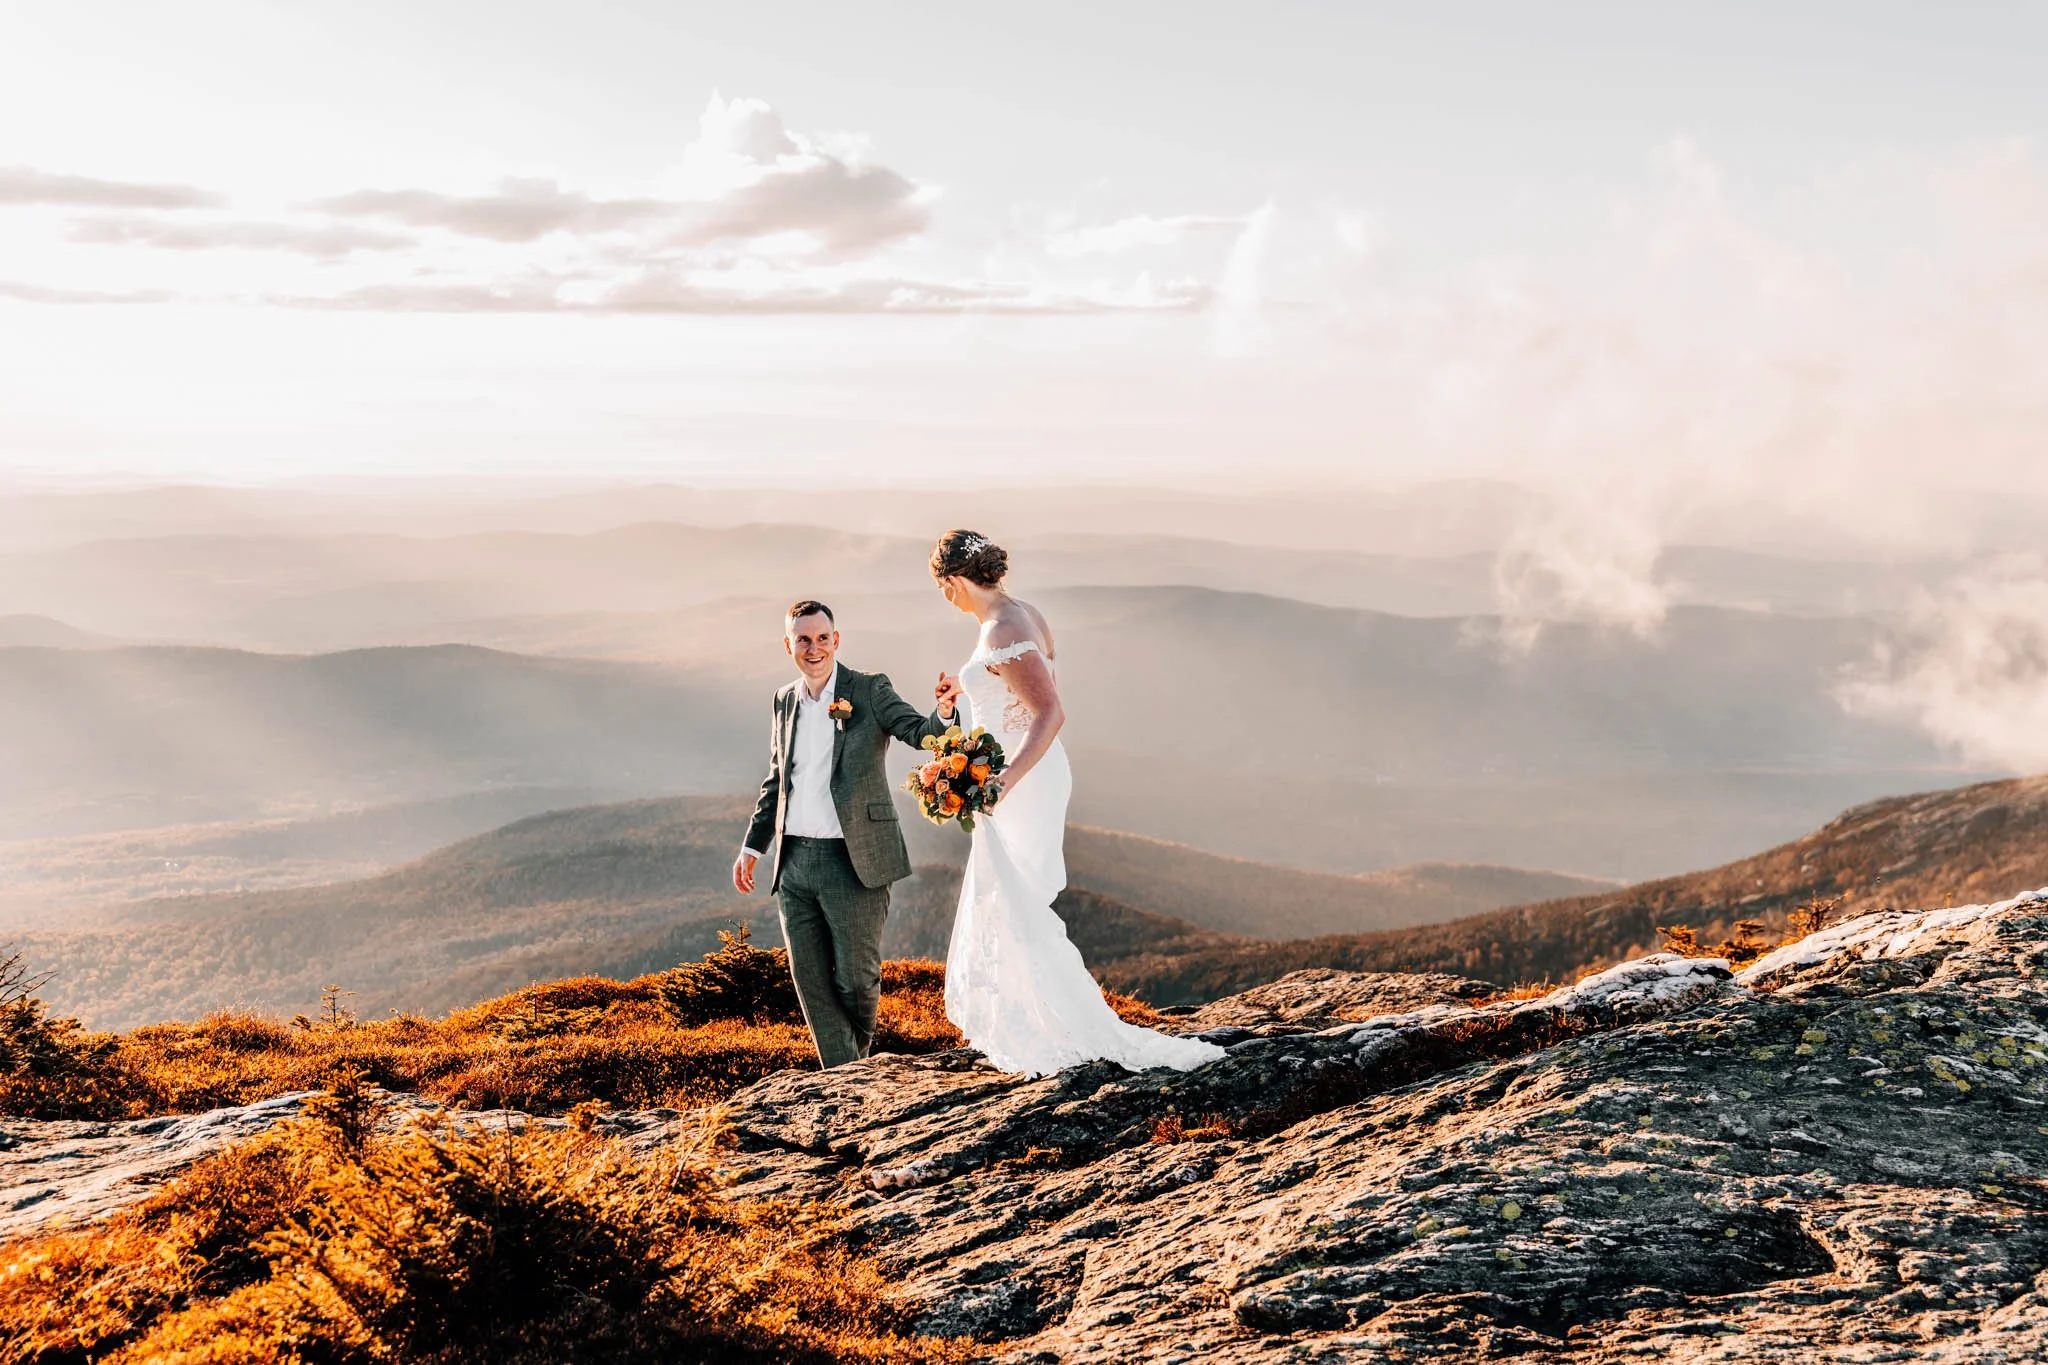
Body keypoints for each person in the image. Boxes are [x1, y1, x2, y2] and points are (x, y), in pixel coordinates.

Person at [928, 530, 1224, 1076]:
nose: (946, 599)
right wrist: (961, 699)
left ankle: (1055, 1029)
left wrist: (1002, 783)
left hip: (1025, 779)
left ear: (954, 580)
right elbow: (1011, 698)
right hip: (1022, 772)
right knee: (1010, 899)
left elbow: (1049, 712)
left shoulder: (1004, 627)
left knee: (1014, 900)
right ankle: (1033, 1022)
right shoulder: (1018, 615)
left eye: (944, 588)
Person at [734, 600, 954, 1068]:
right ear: (789, 645)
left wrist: (945, 711)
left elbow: (919, 732)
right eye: (803, 639)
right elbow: (777, 779)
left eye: (821, 638)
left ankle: (855, 1065)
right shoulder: (784, 699)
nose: (813, 648)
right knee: (809, 979)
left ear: (837, 640)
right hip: (794, 862)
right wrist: (753, 847)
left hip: (854, 860)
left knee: (856, 979)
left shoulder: (870, 690)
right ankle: (845, 1078)